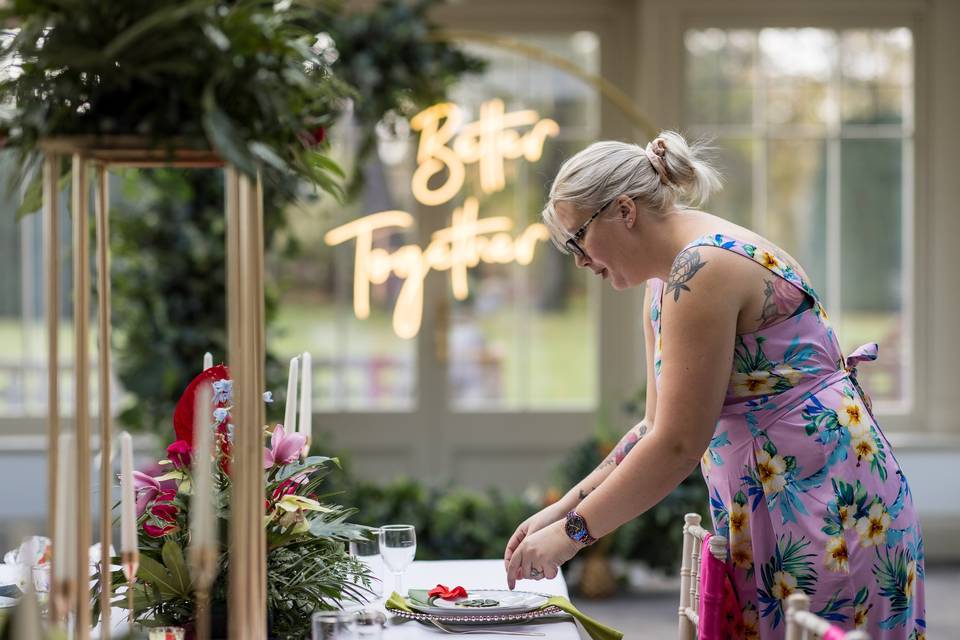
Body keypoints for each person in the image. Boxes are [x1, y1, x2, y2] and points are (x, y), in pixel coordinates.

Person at [503, 132, 926, 639]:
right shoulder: (666, 280)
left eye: (578, 240)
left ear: (623, 211)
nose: (579, 261)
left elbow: (679, 446)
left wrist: (572, 537)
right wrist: (560, 510)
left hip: (831, 512)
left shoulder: (702, 268)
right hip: (784, 503)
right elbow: (654, 428)